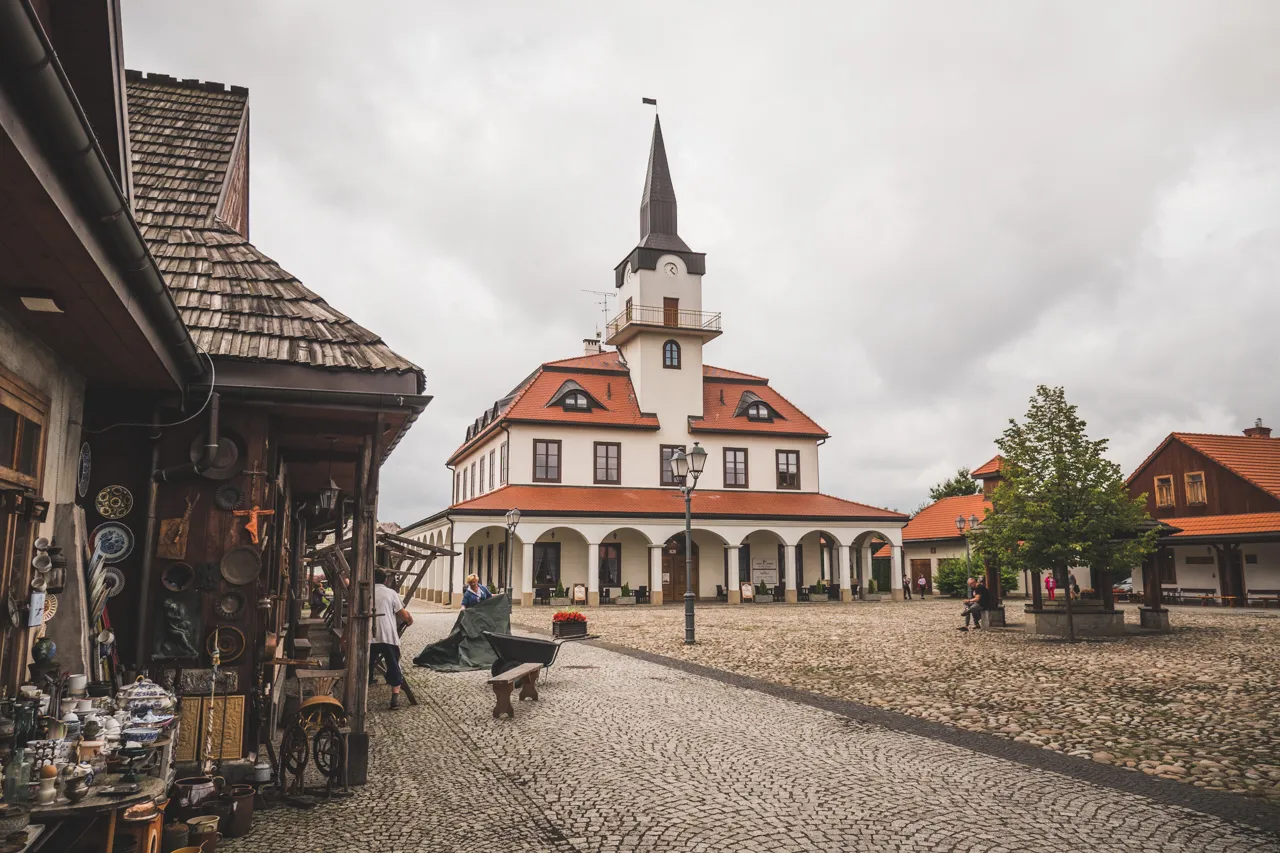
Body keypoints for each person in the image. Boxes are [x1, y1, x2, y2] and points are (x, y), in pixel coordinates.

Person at [370, 568, 412, 710]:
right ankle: (394, 698)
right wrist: (409, 618)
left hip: (368, 636)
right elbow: (403, 615)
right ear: (385, 580)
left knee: (366, 664)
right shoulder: (390, 593)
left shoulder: (365, 592)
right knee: (393, 664)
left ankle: (365, 684)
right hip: (387, 635)